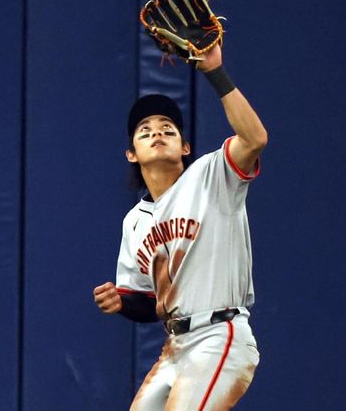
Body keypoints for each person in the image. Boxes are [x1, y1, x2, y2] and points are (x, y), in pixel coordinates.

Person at [93, 43, 268, 410]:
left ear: (185, 146)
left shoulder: (211, 176)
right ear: (131, 153)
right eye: (144, 130)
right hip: (175, 348)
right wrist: (121, 301)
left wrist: (214, 72)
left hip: (220, 335)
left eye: (168, 128)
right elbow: (146, 302)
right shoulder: (134, 222)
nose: (157, 133)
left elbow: (255, 139)